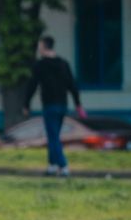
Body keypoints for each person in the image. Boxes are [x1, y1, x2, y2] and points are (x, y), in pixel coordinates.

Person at [22, 35, 85, 177]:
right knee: (53, 135)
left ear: (44, 47)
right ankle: (52, 166)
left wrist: (26, 104)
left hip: (50, 105)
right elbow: (72, 85)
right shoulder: (64, 64)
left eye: (39, 46)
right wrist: (78, 104)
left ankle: (63, 166)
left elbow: (32, 85)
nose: (38, 49)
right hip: (62, 105)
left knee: (53, 137)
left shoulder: (40, 65)